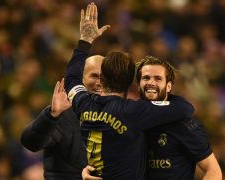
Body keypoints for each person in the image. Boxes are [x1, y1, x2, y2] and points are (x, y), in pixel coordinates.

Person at [64, 2, 194, 179]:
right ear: (130, 83)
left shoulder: (83, 103)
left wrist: (85, 41)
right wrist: (162, 91)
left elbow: (71, 78)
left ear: (101, 80)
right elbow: (185, 108)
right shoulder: (135, 111)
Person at [136, 56, 222, 179]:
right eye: (146, 78)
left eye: (158, 78)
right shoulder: (130, 117)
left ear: (169, 86)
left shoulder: (184, 123)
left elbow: (213, 171)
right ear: (138, 85)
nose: (151, 83)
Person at [20, 55, 104, 180]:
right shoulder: (63, 114)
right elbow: (31, 143)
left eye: (104, 77)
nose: (99, 82)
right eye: (94, 76)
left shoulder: (117, 115)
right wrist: (51, 115)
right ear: (81, 79)